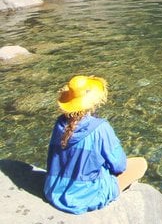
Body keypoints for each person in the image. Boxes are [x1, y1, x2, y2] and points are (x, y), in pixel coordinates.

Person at [44, 74, 148, 214]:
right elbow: (119, 165)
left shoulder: (59, 124)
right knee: (140, 163)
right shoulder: (100, 128)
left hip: (53, 189)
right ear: (92, 102)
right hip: (85, 197)